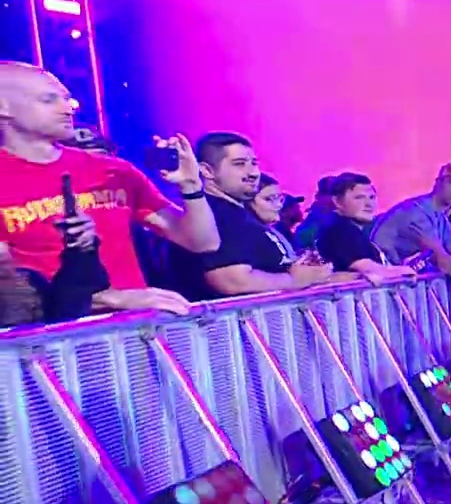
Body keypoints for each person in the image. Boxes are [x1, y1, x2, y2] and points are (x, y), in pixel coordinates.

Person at [0, 62, 215, 315]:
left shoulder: (113, 171)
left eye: (67, 99)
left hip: (135, 327)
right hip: (53, 333)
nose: (68, 108)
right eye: (48, 100)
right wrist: (102, 299)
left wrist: (191, 187)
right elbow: (9, 293)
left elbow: (202, 242)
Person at [190, 133, 336, 299]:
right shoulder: (217, 214)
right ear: (207, 171)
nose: (253, 173)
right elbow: (232, 281)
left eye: (254, 163)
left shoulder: (239, 214)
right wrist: (295, 280)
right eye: (239, 164)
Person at [371, 161, 451, 279]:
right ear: (438, 183)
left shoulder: (439, 214)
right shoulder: (416, 211)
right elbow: (444, 263)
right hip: (380, 279)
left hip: (400, 279)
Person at [314, 173, 414, 282]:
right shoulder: (339, 230)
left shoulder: (348, 229)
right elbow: (370, 270)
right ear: (337, 202)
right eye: (359, 198)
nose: (369, 204)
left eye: (372, 197)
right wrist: (403, 272)